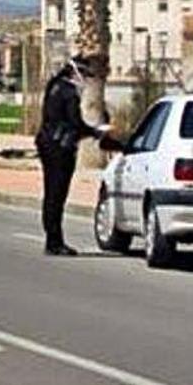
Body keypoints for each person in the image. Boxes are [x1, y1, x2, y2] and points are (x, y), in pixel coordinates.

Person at [36, 55, 112, 256]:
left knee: (50, 192)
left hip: (46, 143)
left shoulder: (53, 86)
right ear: (75, 72)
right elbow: (75, 123)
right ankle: (55, 242)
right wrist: (96, 132)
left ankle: (52, 239)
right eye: (84, 74)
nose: (85, 79)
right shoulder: (69, 92)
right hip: (61, 147)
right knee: (57, 195)